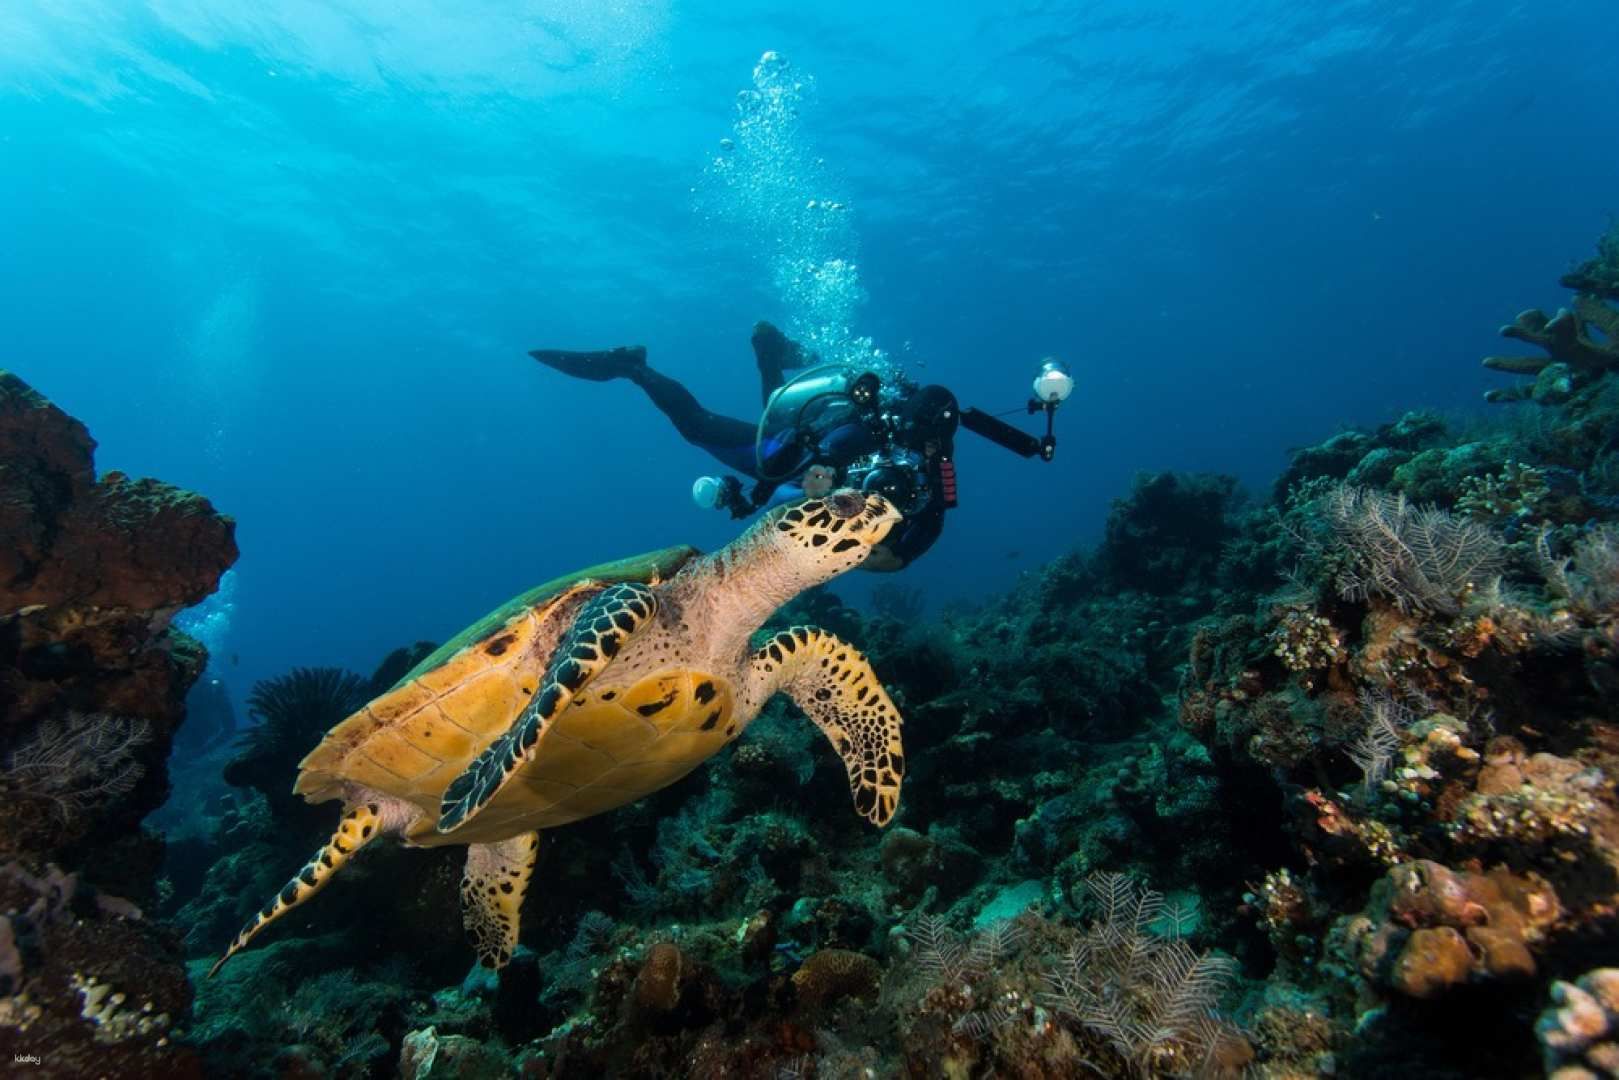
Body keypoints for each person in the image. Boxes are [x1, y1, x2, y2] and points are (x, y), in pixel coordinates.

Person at [530, 322, 1069, 571]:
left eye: (933, 443)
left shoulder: (935, 455)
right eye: (921, 438)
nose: (922, 451)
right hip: (800, 447)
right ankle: (633, 365)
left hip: (809, 448)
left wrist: (898, 555)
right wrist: (825, 472)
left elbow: (937, 519)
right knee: (710, 433)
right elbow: (815, 454)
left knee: (776, 429)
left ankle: (769, 348)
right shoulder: (878, 427)